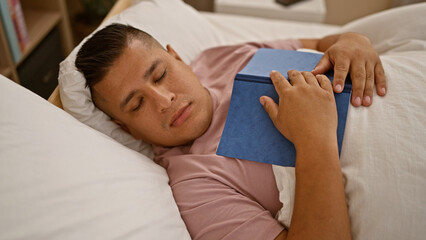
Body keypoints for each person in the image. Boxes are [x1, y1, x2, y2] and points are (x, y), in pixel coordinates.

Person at [75, 23, 387, 240]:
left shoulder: (219, 58)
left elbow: (322, 46)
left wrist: (353, 41)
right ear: (125, 128)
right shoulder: (193, 187)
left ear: (177, 58)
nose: (164, 100)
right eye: (137, 104)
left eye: (160, 74)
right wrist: (314, 138)